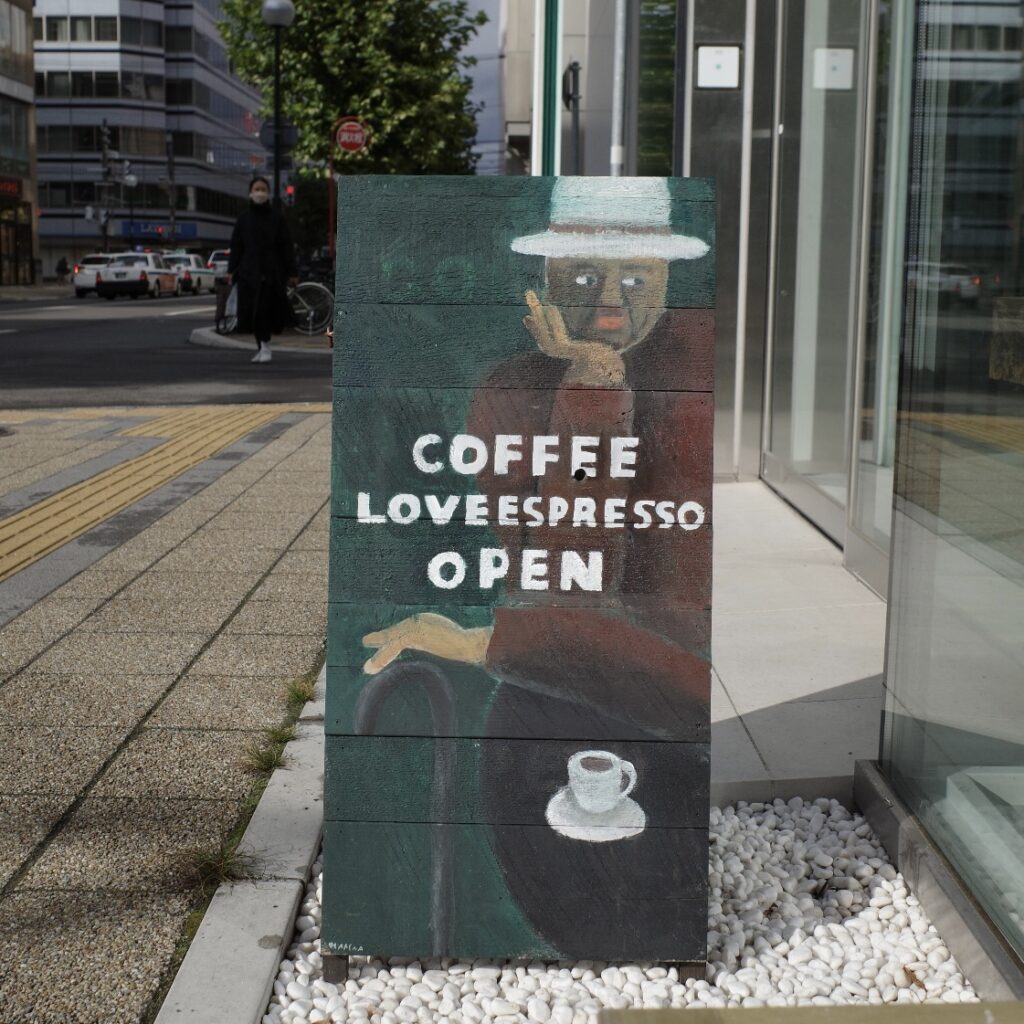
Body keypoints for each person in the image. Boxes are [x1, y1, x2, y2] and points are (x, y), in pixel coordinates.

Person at [357, 178, 715, 958]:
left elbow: (656, 645)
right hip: (558, 690)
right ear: (546, 280)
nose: (610, 303)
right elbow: (567, 570)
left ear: (668, 277)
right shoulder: (510, 394)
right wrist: (590, 386)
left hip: (658, 706)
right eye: (583, 277)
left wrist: (482, 643)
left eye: (635, 278)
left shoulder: (693, 377)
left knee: (643, 893)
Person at [226, 176, 297, 364]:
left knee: (264, 310)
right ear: (250, 193)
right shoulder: (244, 219)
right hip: (248, 273)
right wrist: (231, 269)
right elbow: (237, 245)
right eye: (256, 189)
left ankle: (265, 346)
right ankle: (262, 346)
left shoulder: (276, 218)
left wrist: (292, 271)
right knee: (252, 312)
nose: (260, 193)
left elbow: (286, 245)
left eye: (263, 189)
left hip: (271, 273)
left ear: (269, 193)